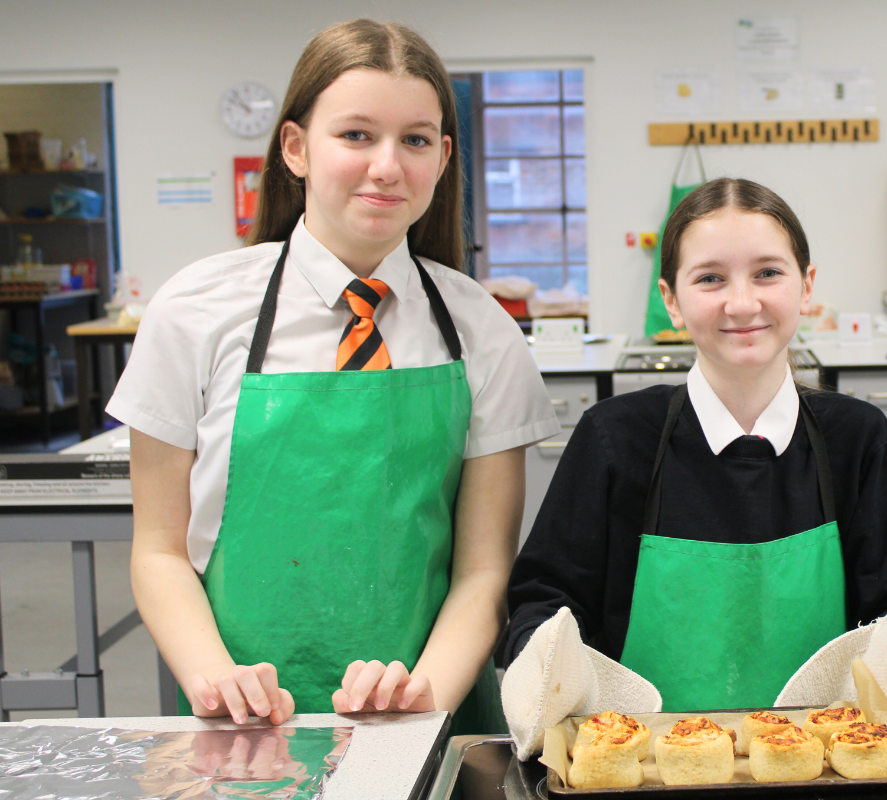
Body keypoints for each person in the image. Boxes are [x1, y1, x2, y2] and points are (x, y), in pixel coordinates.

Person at [110, 19, 559, 733]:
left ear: (443, 156)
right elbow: (159, 551)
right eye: (356, 135)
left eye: (414, 140)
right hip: (242, 722)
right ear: (295, 147)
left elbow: (482, 572)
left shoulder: (484, 332)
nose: (387, 166)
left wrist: (422, 700)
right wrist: (216, 679)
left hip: (429, 713)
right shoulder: (195, 312)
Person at [504, 178, 887, 712]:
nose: (741, 302)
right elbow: (544, 605)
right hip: (640, 767)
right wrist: (551, 679)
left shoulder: (860, 440)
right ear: (672, 301)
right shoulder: (613, 440)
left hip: (823, 768)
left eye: (768, 273)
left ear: (806, 285)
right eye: (710, 278)